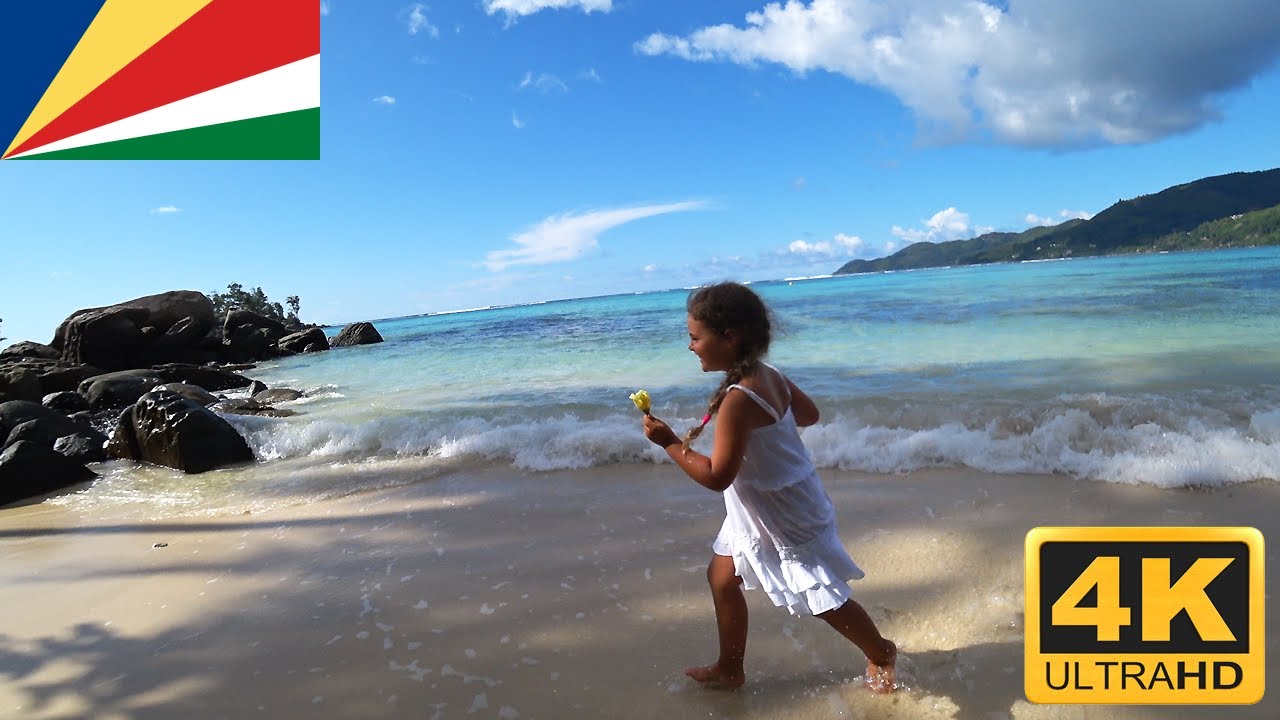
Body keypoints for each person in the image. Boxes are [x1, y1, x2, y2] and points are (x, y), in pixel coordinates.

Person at [640, 281, 896, 692]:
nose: (690, 346)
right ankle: (730, 667)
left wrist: (668, 442)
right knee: (722, 577)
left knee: (819, 595)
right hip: (768, 501)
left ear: (729, 337)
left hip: (782, 511)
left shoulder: (738, 399)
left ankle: (881, 650)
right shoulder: (768, 375)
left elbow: (717, 476)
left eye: (694, 337)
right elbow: (809, 414)